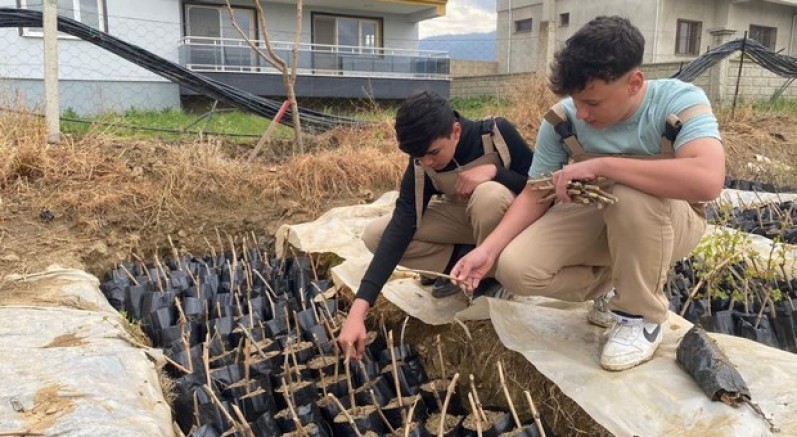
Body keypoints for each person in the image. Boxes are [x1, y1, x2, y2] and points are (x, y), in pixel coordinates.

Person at [451, 16, 724, 371]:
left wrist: (605, 165)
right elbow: (535, 194)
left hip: (669, 222)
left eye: (593, 103)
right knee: (516, 269)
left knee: (630, 194)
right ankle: (614, 285)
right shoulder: (563, 119)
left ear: (634, 82)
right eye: (575, 100)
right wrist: (487, 252)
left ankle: (640, 316)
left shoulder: (678, 102)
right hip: (598, 213)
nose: (581, 113)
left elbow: (708, 180)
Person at [337, 90, 535, 359]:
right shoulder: (421, 162)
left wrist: (495, 173)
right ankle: (461, 265)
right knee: (376, 235)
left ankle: (493, 277)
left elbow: (539, 188)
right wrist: (358, 310)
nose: (428, 162)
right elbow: (403, 224)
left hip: (508, 222)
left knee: (489, 196)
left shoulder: (496, 135)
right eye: (419, 157)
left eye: (433, 152)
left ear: (455, 131)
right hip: (463, 220)